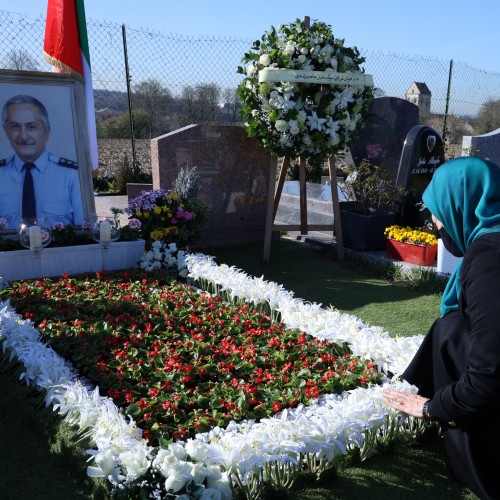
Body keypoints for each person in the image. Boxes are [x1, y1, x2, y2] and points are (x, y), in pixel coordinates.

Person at [383, 156, 500, 499]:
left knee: (451, 331)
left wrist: (432, 408)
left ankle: (475, 458)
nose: (435, 224)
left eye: (437, 211)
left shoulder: (490, 259)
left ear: (460, 202)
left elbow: (489, 373)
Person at [0, 94, 84, 229]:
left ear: (46, 132)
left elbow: (84, 228)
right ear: (6, 131)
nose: (24, 136)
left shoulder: (71, 175)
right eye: (15, 127)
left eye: (31, 127)